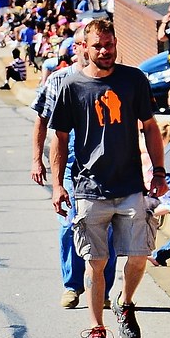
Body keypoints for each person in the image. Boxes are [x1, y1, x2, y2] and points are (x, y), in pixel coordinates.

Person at [48, 20, 165, 338]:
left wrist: (158, 171)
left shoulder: (133, 80)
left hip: (130, 185)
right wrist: (58, 185)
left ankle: (125, 302)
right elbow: (59, 139)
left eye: (109, 44)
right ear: (84, 47)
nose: (105, 51)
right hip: (89, 188)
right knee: (95, 262)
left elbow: (151, 127)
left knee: (140, 254)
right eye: (98, 45)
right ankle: (96, 328)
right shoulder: (72, 87)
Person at [30, 27, 118, 310]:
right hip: (70, 165)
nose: (86, 49)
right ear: (79, 47)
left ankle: (102, 288)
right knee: (70, 224)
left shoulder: (114, 78)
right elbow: (42, 122)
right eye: (83, 44)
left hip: (106, 164)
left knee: (107, 230)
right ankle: (73, 285)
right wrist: (37, 159)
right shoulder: (58, 80)